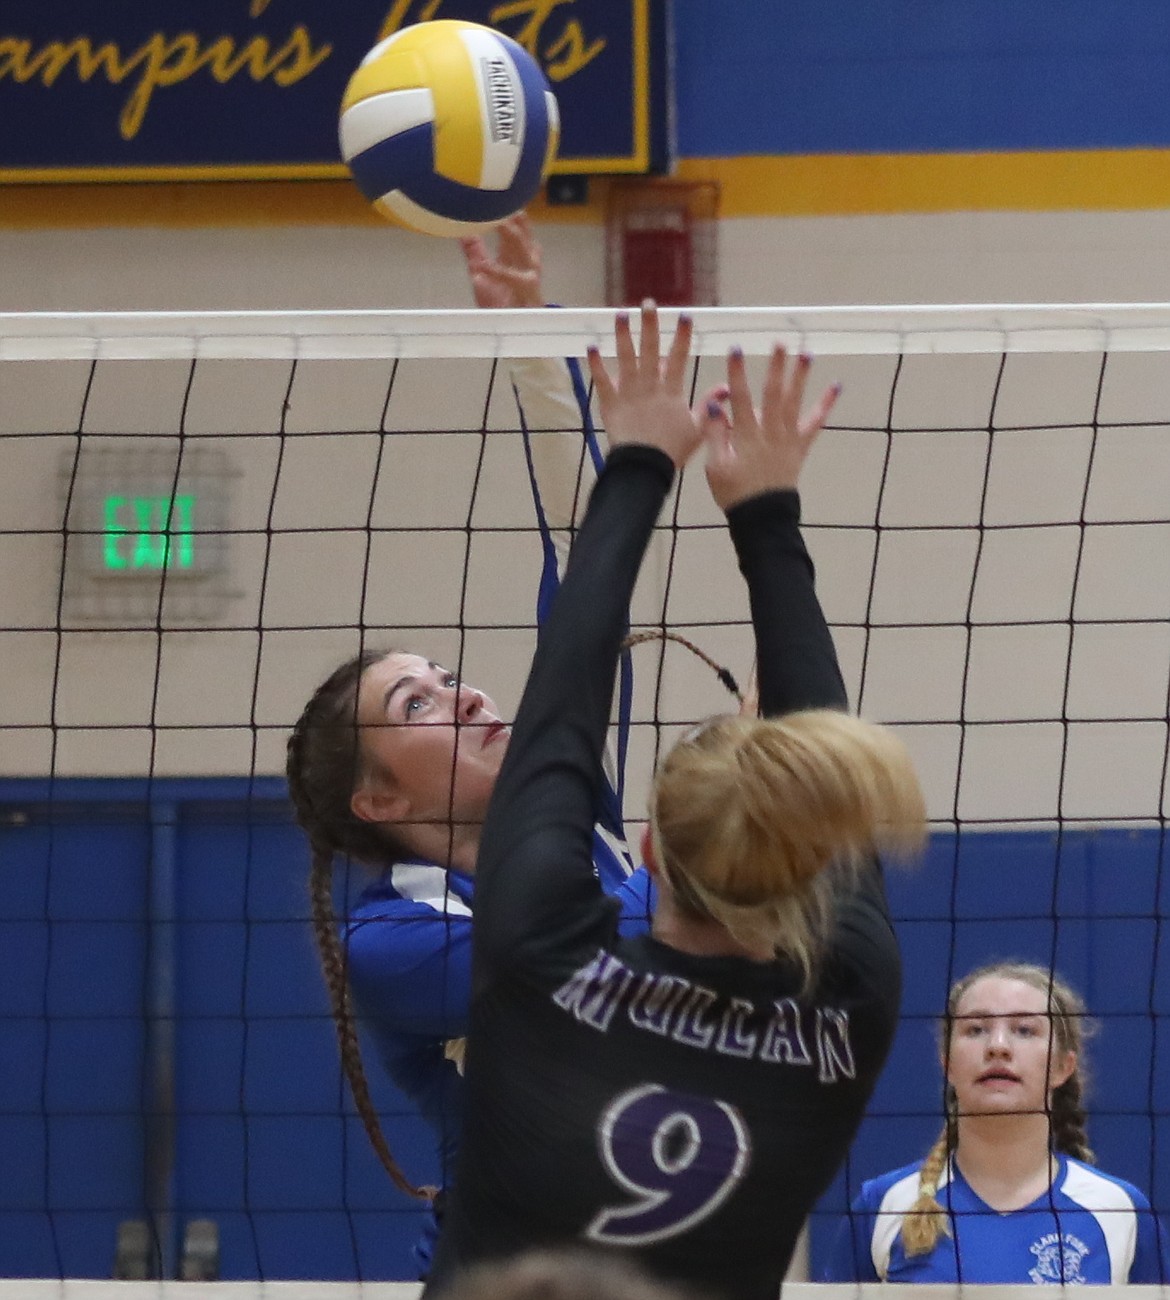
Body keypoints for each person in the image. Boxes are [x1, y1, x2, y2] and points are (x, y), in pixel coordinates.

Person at [423, 303, 927, 1300]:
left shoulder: (542, 956)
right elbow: (560, 723)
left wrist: (702, 484)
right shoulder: (844, 1008)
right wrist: (727, 498)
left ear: (647, 850)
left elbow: (562, 707)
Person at [284, 217, 723, 1274]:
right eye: (421, 705)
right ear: (379, 801)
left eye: (445, 675)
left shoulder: (583, 818)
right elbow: (573, 946)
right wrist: (701, 856)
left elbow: (586, 562)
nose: (467, 690)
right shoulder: (392, 948)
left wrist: (529, 341)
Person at [823, 961, 1169, 1284]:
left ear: (1064, 1067)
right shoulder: (885, 1204)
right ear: (948, 1063)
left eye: (1024, 1029)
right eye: (976, 1029)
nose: (998, 1047)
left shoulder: (1119, 1210)